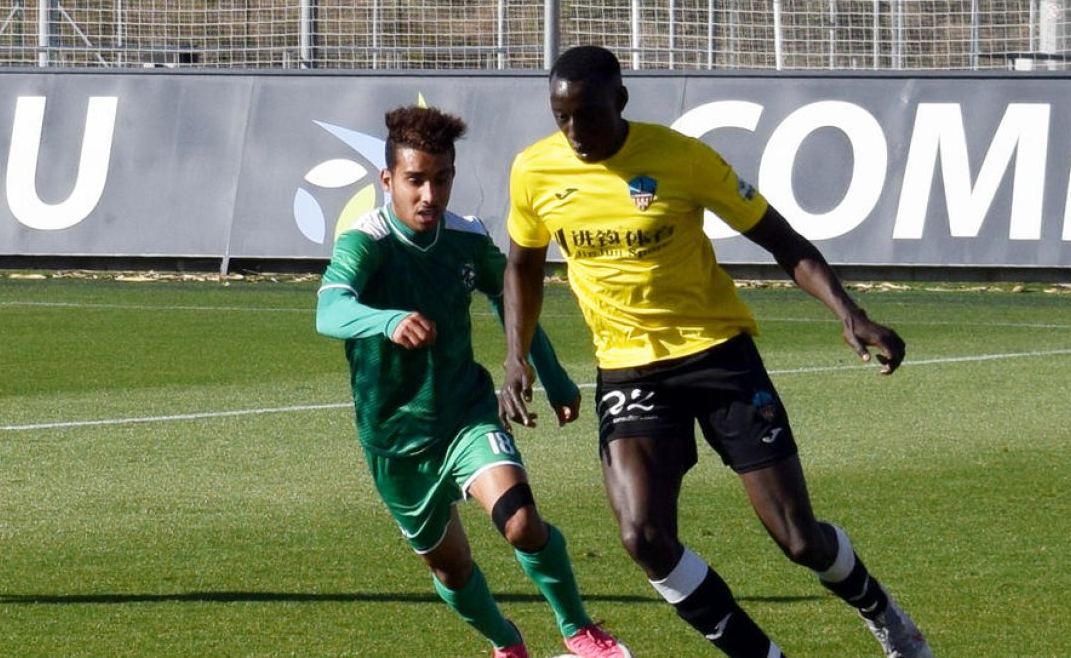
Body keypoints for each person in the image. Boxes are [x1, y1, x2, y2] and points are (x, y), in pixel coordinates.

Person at [497, 46, 932, 658]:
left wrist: (848, 312)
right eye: (561, 117)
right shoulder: (534, 171)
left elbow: (782, 239)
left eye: (587, 115)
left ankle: (880, 611)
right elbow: (522, 265)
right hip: (629, 367)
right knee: (643, 536)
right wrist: (516, 356)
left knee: (798, 538)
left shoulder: (682, 158)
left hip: (719, 356)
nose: (574, 131)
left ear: (620, 100)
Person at [316, 105, 631, 658]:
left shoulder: (465, 238)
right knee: (451, 567)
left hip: (465, 414)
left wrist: (554, 377)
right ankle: (506, 643)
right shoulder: (364, 243)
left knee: (521, 522)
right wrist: (387, 321)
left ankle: (578, 629)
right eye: (415, 180)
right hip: (393, 440)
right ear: (388, 180)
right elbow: (329, 309)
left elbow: (512, 301)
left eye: (441, 180)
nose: (430, 196)